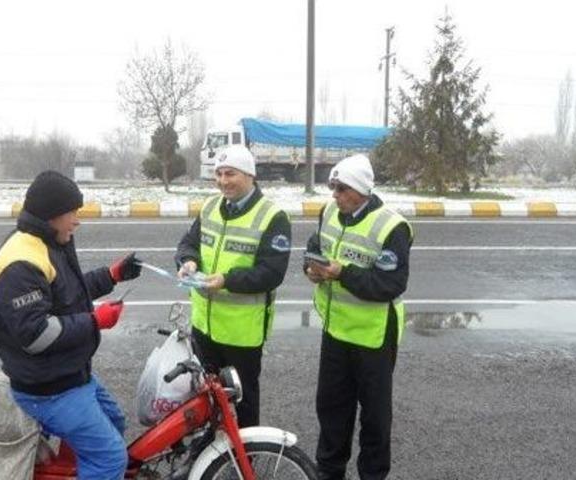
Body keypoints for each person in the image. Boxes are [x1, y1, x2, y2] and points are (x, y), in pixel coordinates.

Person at [0, 170, 142, 480]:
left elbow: (67, 293)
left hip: (69, 374)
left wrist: (112, 274)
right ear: (53, 215)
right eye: (72, 213)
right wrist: (96, 320)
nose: (77, 220)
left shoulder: (49, 241)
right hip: (46, 388)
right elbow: (37, 335)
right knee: (110, 458)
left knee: (115, 421)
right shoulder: (20, 262)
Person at [305, 154, 413, 480]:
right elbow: (314, 247)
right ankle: (329, 471)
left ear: (362, 190)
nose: (334, 195)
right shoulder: (330, 212)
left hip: (373, 335)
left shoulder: (391, 226)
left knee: (375, 418)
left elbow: (389, 284)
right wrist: (311, 269)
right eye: (333, 187)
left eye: (341, 189)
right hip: (336, 329)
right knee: (332, 407)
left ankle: (373, 475)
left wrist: (341, 273)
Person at [175, 144, 291, 428]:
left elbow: (271, 273)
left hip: (242, 333)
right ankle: (213, 452)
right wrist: (188, 261)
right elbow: (188, 243)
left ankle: (245, 458)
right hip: (205, 327)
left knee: (243, 399)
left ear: (249, 175)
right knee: (207, 397)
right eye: (219, 174)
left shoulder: (272, 217)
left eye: (231, 174)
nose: (223, 181)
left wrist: (226, 281)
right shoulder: (211, 206)